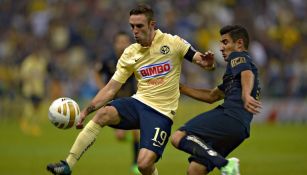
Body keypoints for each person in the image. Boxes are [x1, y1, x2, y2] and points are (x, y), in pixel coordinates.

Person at [47, 3, 214, 175]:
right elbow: (111, 89)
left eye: (139, 26)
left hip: (161, 113)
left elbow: (200, 59)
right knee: (103, 113)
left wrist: (207, 63)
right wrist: (85, 112)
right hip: (139, 103)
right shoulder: (130, 53)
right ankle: (68, 165)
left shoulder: (173, 43)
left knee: (143, 165)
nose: (134, 31)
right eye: (132, 26)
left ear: (152, 25)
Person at [171, 25, 262, 175]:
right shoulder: (233, 74)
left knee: (178, 136)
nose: (221, 48)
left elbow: (247, 74)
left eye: (225, 42)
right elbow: (212, 96)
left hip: (230, 116)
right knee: (195, 170)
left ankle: (225, 164)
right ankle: (226, 166)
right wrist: (180, 88)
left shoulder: (238, 57)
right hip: (239, 129)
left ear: (239, 43)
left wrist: (246, 95)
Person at [93, 31, 140, 174]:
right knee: (120, 136)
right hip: (114, 100)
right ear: (115, 44)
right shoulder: (108, 59)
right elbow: (96, 72)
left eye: (125, 42)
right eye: (120, 42)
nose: (122, 45)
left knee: (136, 132)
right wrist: (103, 89)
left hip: (131, 99)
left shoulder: (135, 58)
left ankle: (135, 164)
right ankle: (125, 134)